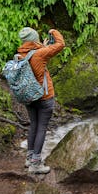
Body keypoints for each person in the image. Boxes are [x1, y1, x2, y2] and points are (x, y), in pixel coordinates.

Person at [17, 27, 65, 174]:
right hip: (44, 97)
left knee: (34, 126)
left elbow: (35, 58)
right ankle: (36, 164)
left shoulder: (20, 55)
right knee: (42, 128)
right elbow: (60, 44)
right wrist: (54, 31)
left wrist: (42, 46)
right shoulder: (41, 54)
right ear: (34, 39)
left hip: (30, 98)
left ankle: (29, 157)